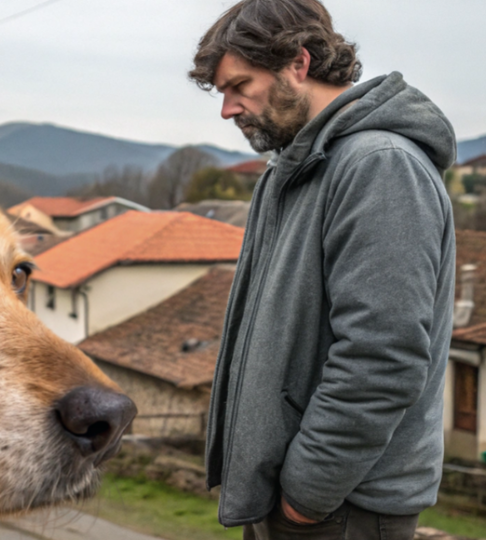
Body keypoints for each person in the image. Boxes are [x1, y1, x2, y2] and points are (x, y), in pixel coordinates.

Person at [189, 1, 457, 539]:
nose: (228, 109)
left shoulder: (379, 166)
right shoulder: (298, 168)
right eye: (222, 93)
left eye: (239, 85)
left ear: (298, 63)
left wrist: (305, 499)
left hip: (340, 508)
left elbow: (380, 358)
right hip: (300, 499)